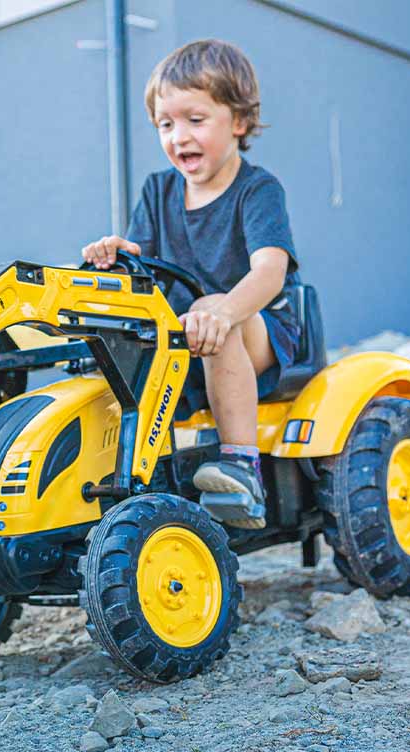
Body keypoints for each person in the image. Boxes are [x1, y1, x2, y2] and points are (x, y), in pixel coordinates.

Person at [81, 39, 301, 528]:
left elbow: (270, 270)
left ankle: (243, 467)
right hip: (184, 330)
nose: (179, 136)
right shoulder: (157, 190)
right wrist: (115, 260)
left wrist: (223, 312)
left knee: (213, 311)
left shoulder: (258, 189)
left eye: (195, 120)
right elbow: (142, 271)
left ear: (239, 122)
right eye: (166, 123)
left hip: (259, 328)